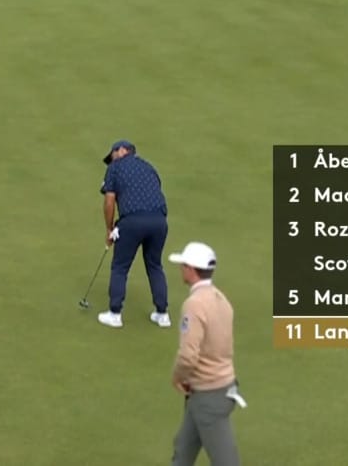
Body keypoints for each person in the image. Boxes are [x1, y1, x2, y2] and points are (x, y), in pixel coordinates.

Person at [169, 241, 245, 466]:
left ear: (191, 270)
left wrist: (177, 377)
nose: (181, 269)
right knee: (182, 450)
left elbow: (188, 355)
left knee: (226, 461)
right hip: (213, 389)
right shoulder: (221, 299)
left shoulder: (194, 305)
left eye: (183, 265)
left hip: (208, 394)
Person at [97, 140, 171, 328]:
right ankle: (162, 314)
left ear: (122, 150)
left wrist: (109, 228)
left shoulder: (115, 168)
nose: (112, 159)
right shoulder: (149, 167)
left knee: (120, 266)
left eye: (113, 154)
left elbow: (109, 200)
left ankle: (115, 313)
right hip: (159, 221)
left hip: (132, 221)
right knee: (155, 265)